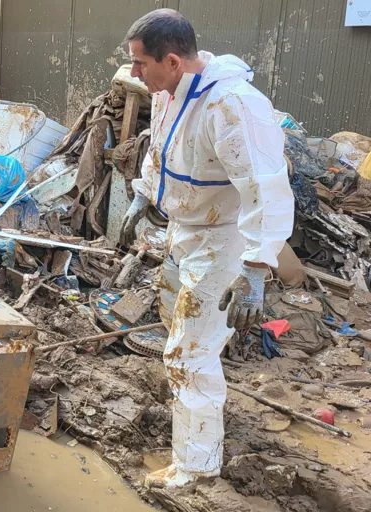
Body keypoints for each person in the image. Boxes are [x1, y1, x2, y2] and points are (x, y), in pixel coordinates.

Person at [118, 9, 294, 489]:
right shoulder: (169, 92)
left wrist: (256, 267)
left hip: (226, 240)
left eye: (139, 63)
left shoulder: (232, 106)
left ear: (172, 60)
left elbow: (266, 188)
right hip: (187, 227)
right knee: (181, 330)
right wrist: (141, 195)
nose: (134, 72)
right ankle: (194, 418)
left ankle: (196, 466)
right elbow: (160, 149)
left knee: (188, 353)